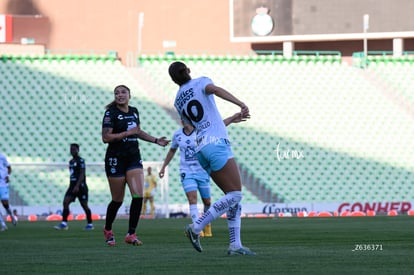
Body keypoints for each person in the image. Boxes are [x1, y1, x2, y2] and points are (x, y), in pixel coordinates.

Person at [168, 61, 255, 255]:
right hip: (216, 144)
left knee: (232, 198)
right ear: (188, 71)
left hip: (201, 149)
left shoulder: (178, 102)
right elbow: (215, 90)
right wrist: (240, 103)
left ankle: (235, 245)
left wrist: (232, 119)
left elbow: (202, 126)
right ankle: (196, 227)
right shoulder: (201, 82)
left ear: (174, 80)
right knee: (236, 194)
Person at [158, 113, 248, 238]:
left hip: (202, 171)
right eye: (182, 118)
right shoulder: (177, 135)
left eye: (185, 118)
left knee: (207, 201)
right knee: (192, 199)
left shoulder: (201, 132)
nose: (183, 120)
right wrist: (164, 167)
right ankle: (196, 228)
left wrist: (232, 119)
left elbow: (219, 126)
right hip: (186, 171)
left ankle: (206, 225)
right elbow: (172, 150)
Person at [102, 84, 169, 247]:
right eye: (116, 93)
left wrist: (155, 140)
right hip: (115, 159)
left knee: (138, 195)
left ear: (129, 95)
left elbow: (137, 132)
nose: (120, 95)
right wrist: (126, 134)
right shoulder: (110, 113)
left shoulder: (134, 111)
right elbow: (106, 137)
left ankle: (131, 233)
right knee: (117, 200)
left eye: (123, 92)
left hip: (133, 157)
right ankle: (108, 230)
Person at [54, 144, 94, 230]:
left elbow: (82, 174)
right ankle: (64, 223)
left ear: (78, 150)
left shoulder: (81, 161)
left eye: (74, 149)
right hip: (72, 186)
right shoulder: (71, 161)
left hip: (81, 186)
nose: (72, 151)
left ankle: (90, 224)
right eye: (71, 149)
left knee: (84, 205)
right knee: (65, 202)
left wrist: (77, 185)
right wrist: (73, 185)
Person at [0, 152, 17, 230]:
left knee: (5, 203)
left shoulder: (2, 156)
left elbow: (9, 167)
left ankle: (12, 216)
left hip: (3, 183)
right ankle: (3, 225)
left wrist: (7, 176)